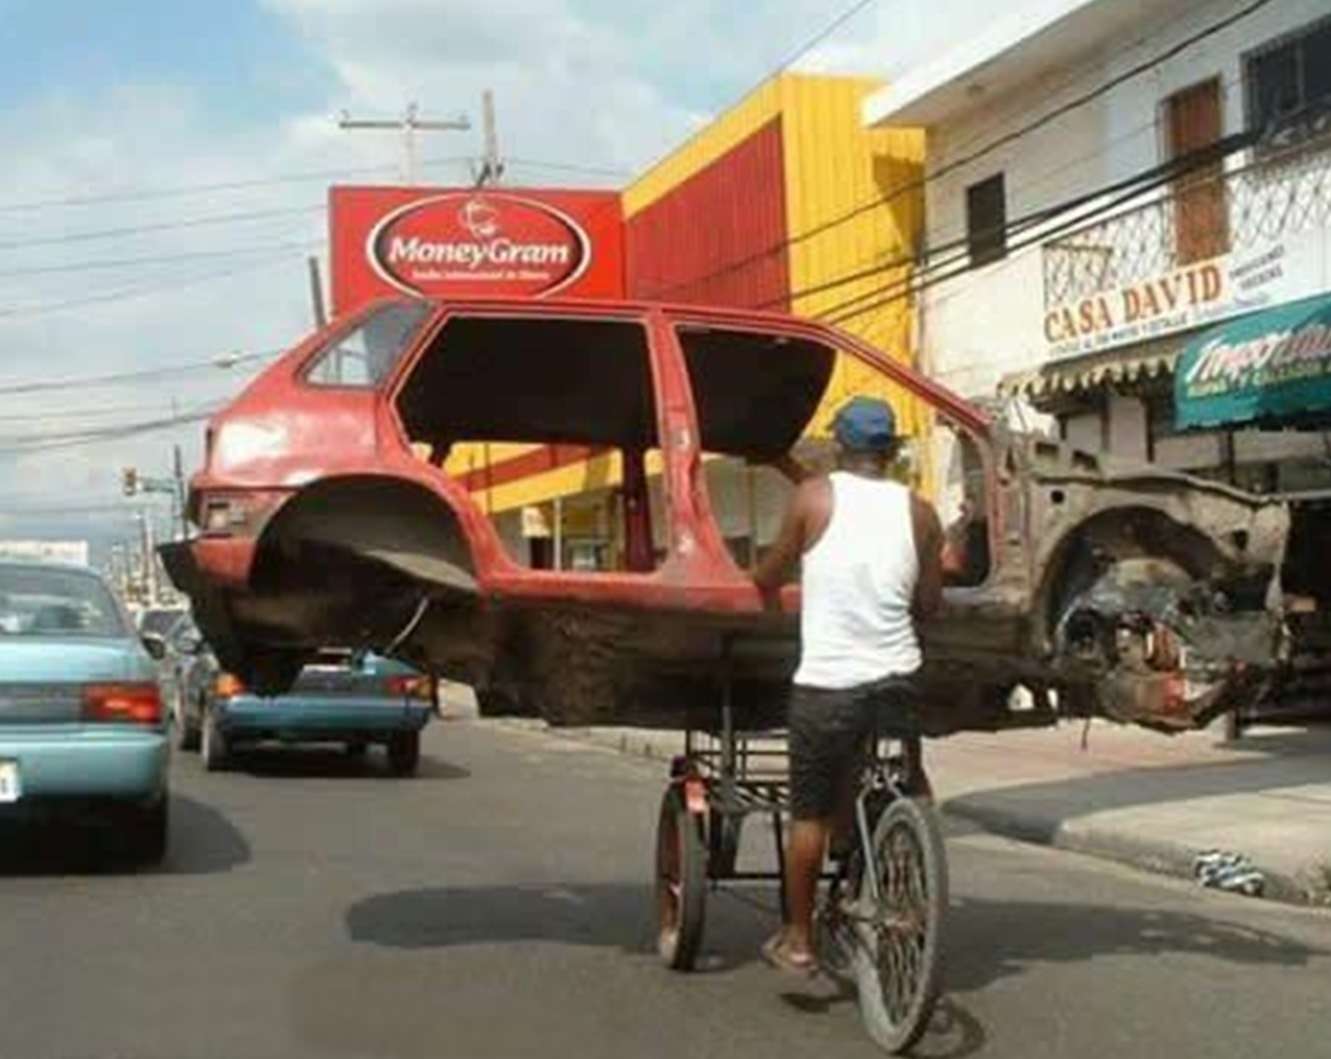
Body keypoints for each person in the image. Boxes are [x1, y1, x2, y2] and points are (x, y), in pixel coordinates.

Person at [751, 396, 944, 975]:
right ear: (889, 452)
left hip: (828, 686)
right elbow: (929, 605)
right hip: (897, 680)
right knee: (907, 776)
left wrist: (755, 581)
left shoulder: (813, 497)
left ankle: (799, 940)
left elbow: (771, 573)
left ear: (841, 446)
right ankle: (919, 864)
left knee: (808, 814)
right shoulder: (921, 512)